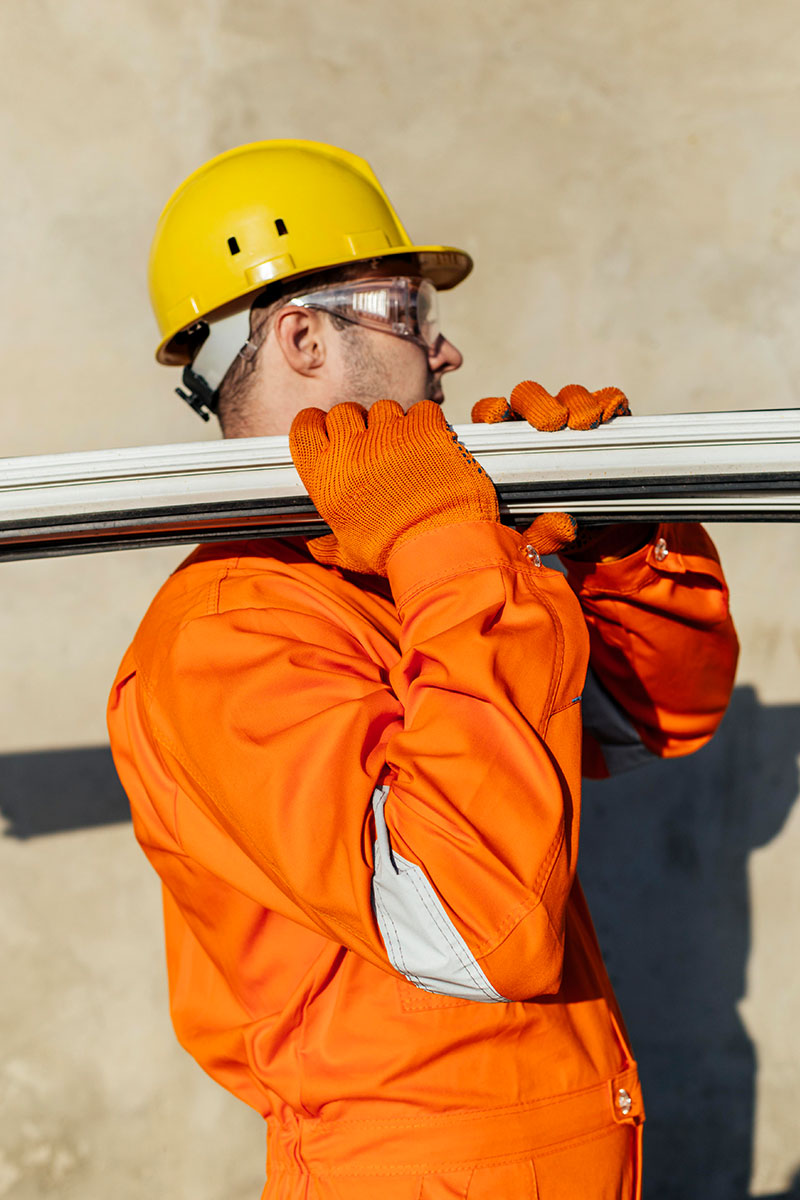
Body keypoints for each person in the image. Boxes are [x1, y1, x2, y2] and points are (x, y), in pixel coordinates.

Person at [107, 139, 739, 1199]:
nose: (443, 354)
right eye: (404, 314)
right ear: (301, 337)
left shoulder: (403, 570)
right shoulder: (226, 628)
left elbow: (649, 719)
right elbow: (474, 922)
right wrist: (448, 542)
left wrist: (618, 542)